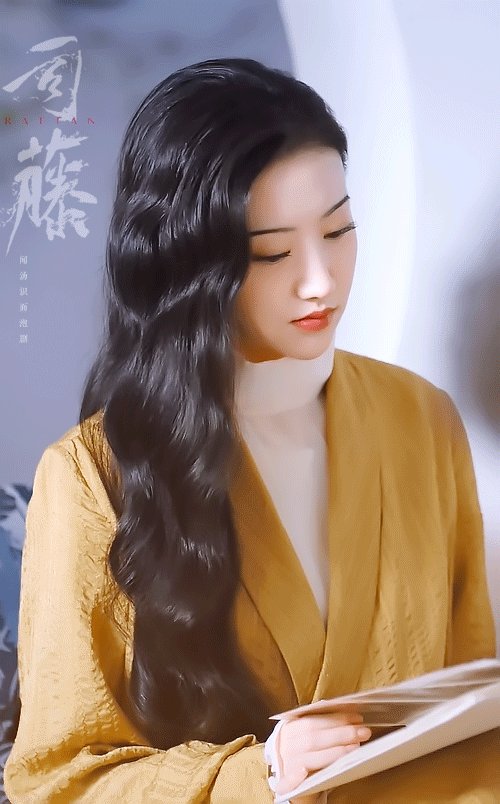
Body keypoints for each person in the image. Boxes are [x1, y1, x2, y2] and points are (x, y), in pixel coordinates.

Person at [4, 58, 498, 803]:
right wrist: (260, 774)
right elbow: (58, 781)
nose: (321, 280)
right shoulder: (91, 476)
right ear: (189, 265)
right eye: (273, 252)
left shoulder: (421, 417)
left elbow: (473, 713)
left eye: (339, 230)